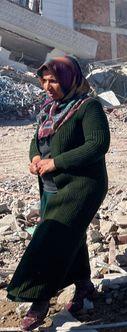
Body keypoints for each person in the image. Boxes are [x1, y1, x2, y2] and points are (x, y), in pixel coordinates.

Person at [7, 56, 110, 331]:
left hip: (83, 186)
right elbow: (37, 141)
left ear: (69, 79)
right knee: (71, 235)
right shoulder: (50, 110)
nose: (47, 86)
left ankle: (38, 300)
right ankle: (84, 285)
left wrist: (57, 162)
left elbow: (98, 145)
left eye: (54, 80)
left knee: (52, 237)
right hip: (53, 186)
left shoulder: (89, 108)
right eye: (44, 80)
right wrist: (35, 159)